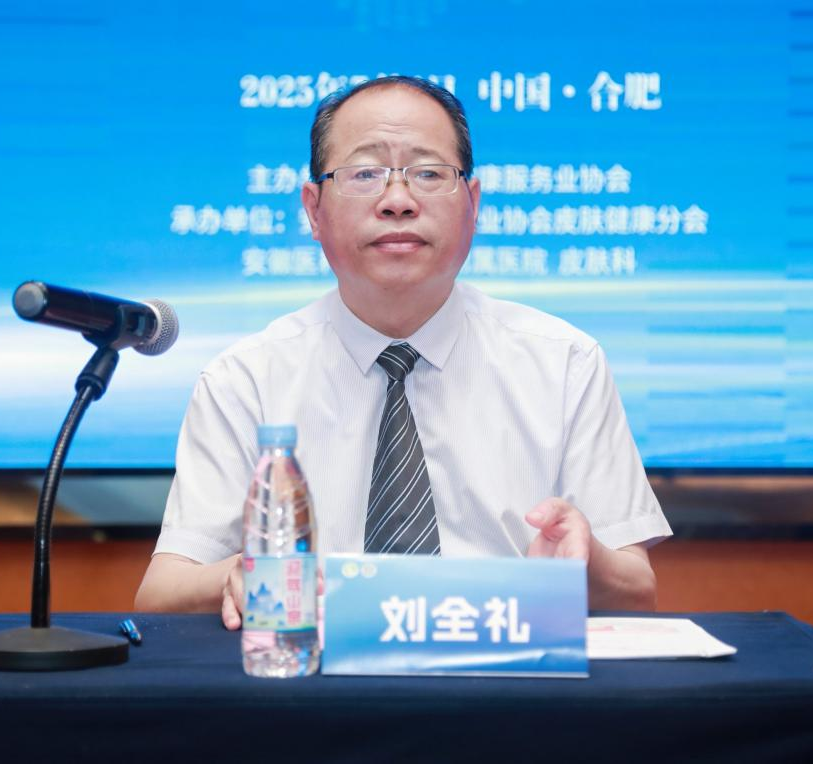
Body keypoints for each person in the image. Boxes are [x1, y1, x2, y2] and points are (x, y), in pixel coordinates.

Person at [136, 76, 671, 625]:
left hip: (508, 667)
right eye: (364, 174)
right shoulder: (245, 378)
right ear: (313, 210)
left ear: (473, 204)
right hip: (310, 674)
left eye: (429, 173)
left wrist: (586, 560)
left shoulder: (565, 363)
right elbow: (162, 593)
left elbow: (637, 592)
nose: (397, 201)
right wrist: (238, 574)